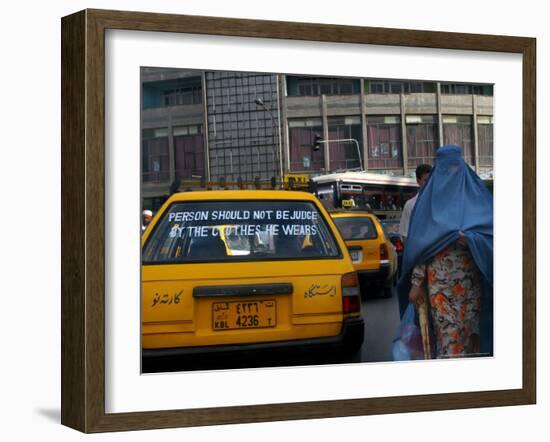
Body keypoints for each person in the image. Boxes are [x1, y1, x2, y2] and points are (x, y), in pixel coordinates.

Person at [396, 145, 493, 358]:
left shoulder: (475, 196)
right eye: (444, 168)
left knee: (471, 341)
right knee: (448, 343)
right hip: (440, 286)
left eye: (454, 167)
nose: (450, 173)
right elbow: (422, 245)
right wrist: (416, 283)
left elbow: (492, 236)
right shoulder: (426, 203)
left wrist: (470, 240)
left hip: (470, 286)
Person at [398, 164, 432, 241]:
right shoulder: (410, 205)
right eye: (426, 180)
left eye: (431, 180)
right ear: (418, 181)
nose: (429, 184)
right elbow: (405, 235)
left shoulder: (440, 202)